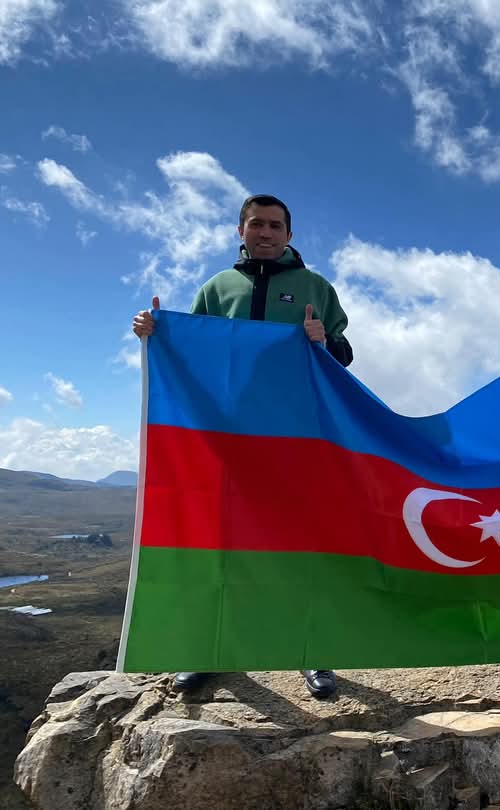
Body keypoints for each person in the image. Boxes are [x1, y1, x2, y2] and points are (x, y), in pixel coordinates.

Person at [132, 193, 352, 699]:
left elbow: (343, 357)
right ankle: (211, 651)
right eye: (257, 224)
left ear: (290, 235)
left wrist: (323, 341)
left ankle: (310, 650)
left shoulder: (316, 287)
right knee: (221, 545)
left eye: (276, 225)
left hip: (293, 436)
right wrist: (155, 334)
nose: (266, 233)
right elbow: (194, 352)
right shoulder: (217, 287)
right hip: (227, 438)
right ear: (242, 230)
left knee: (298, 545)